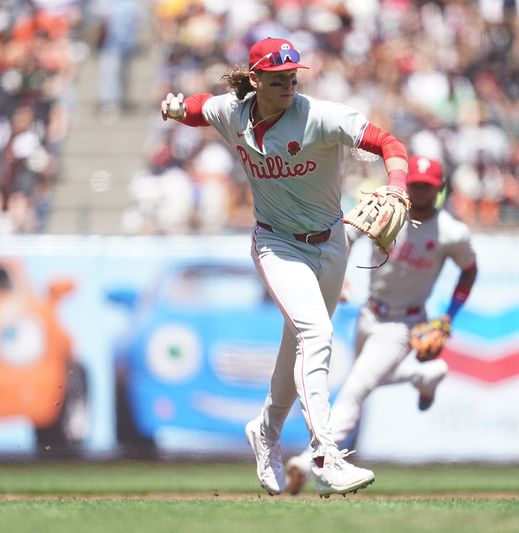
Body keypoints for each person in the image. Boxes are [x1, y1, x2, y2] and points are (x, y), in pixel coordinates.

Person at [160, 37, 410, 497]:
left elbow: (388, 142)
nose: (288, 86)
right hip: (276, 243)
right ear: (255, 80)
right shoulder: (235, 112)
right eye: (277, 80)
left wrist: (396, 185)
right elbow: (202, 108)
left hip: (331, 243)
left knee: (293, 350)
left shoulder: (319, 116)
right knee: (316, 335)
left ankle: (266, 431)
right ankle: (324, 454)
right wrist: (177, 109)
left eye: (292, 77)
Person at [284, 155, 478, 495]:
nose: (418, 192)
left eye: (426, 187)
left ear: (438, 189)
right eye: (414, 184)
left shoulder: (451, 232)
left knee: (355, 390)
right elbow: (345, 235)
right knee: (364, 384)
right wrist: (337, 275)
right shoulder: (388, 210)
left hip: (403, 323)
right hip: (369, 313)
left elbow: (469, 270)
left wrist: (449, 315)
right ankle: (425, 375)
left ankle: (309, 461)